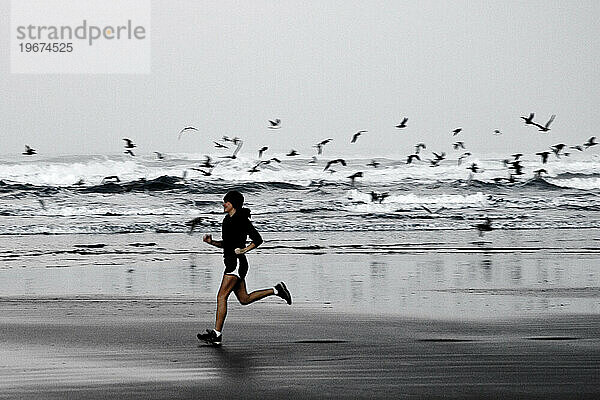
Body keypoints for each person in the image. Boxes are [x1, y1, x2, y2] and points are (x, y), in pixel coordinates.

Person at [197, 190, 292, 345]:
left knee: (221, 297)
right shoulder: (226, 221)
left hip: (236, 264)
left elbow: (258, 239)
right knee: (244, 299)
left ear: (232, 203)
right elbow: (226, 245)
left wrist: (244, 250)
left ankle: (216, 335)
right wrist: (212, 242)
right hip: (232, 263)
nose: (223, 204)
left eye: (226, 202)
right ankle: (277, 290)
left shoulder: (242, 220)